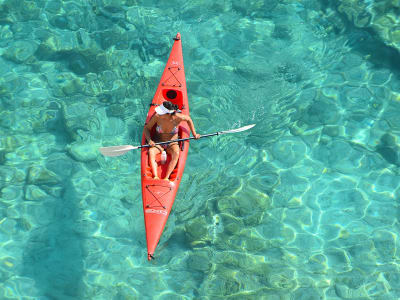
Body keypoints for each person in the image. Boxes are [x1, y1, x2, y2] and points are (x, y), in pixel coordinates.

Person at [144, 101, 200, 180]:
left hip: (172, 143)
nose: (159, 113)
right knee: (151, 152)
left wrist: (194, 134)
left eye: (162, 112)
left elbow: (188, 119)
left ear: (169, 113)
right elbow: (147, 128)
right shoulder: (157, 116)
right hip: (158, 143)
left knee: (176, 153)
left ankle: (167, 178)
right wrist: (149, 140)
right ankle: (155, 176)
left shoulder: (178, 117)